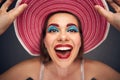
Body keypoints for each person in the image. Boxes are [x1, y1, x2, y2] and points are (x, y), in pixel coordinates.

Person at [0, 0, 120, 80]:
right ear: (44, 41)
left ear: (81, 40)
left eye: (72, 30)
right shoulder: (27, 69)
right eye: (53, 30)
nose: (63, 37)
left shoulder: (96, 70)